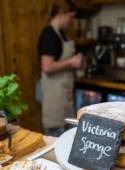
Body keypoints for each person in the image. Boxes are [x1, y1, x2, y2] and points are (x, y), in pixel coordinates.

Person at [38, 0, 84, 136]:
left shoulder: (63, 35)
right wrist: (71, 62)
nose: (72, 21)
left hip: (65, 99)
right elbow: (47, 66)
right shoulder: (49, 35)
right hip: (54, 102)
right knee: (55, 143)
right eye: (71, 16)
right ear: (60, 13)